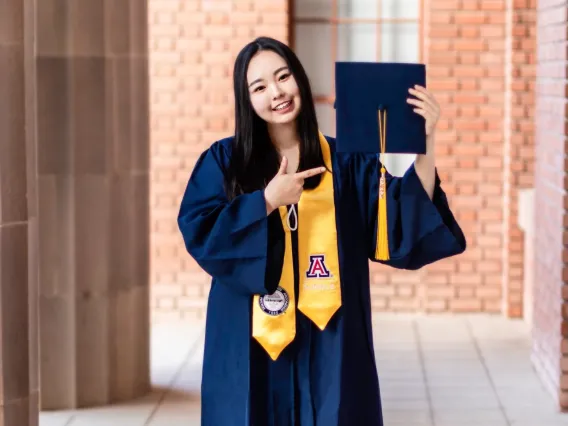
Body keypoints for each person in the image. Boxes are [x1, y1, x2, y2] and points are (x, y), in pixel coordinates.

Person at [177, 36, 466, 426]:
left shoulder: (346, 162)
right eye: (260, 87)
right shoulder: (225, 162)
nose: (276, 92)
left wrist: (425, 144)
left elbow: (397, 219)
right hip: (251, 339)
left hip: (332, 337)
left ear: (300, 79)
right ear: (246, 99)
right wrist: (264, 202)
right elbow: (200, 229)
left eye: (284, 77)